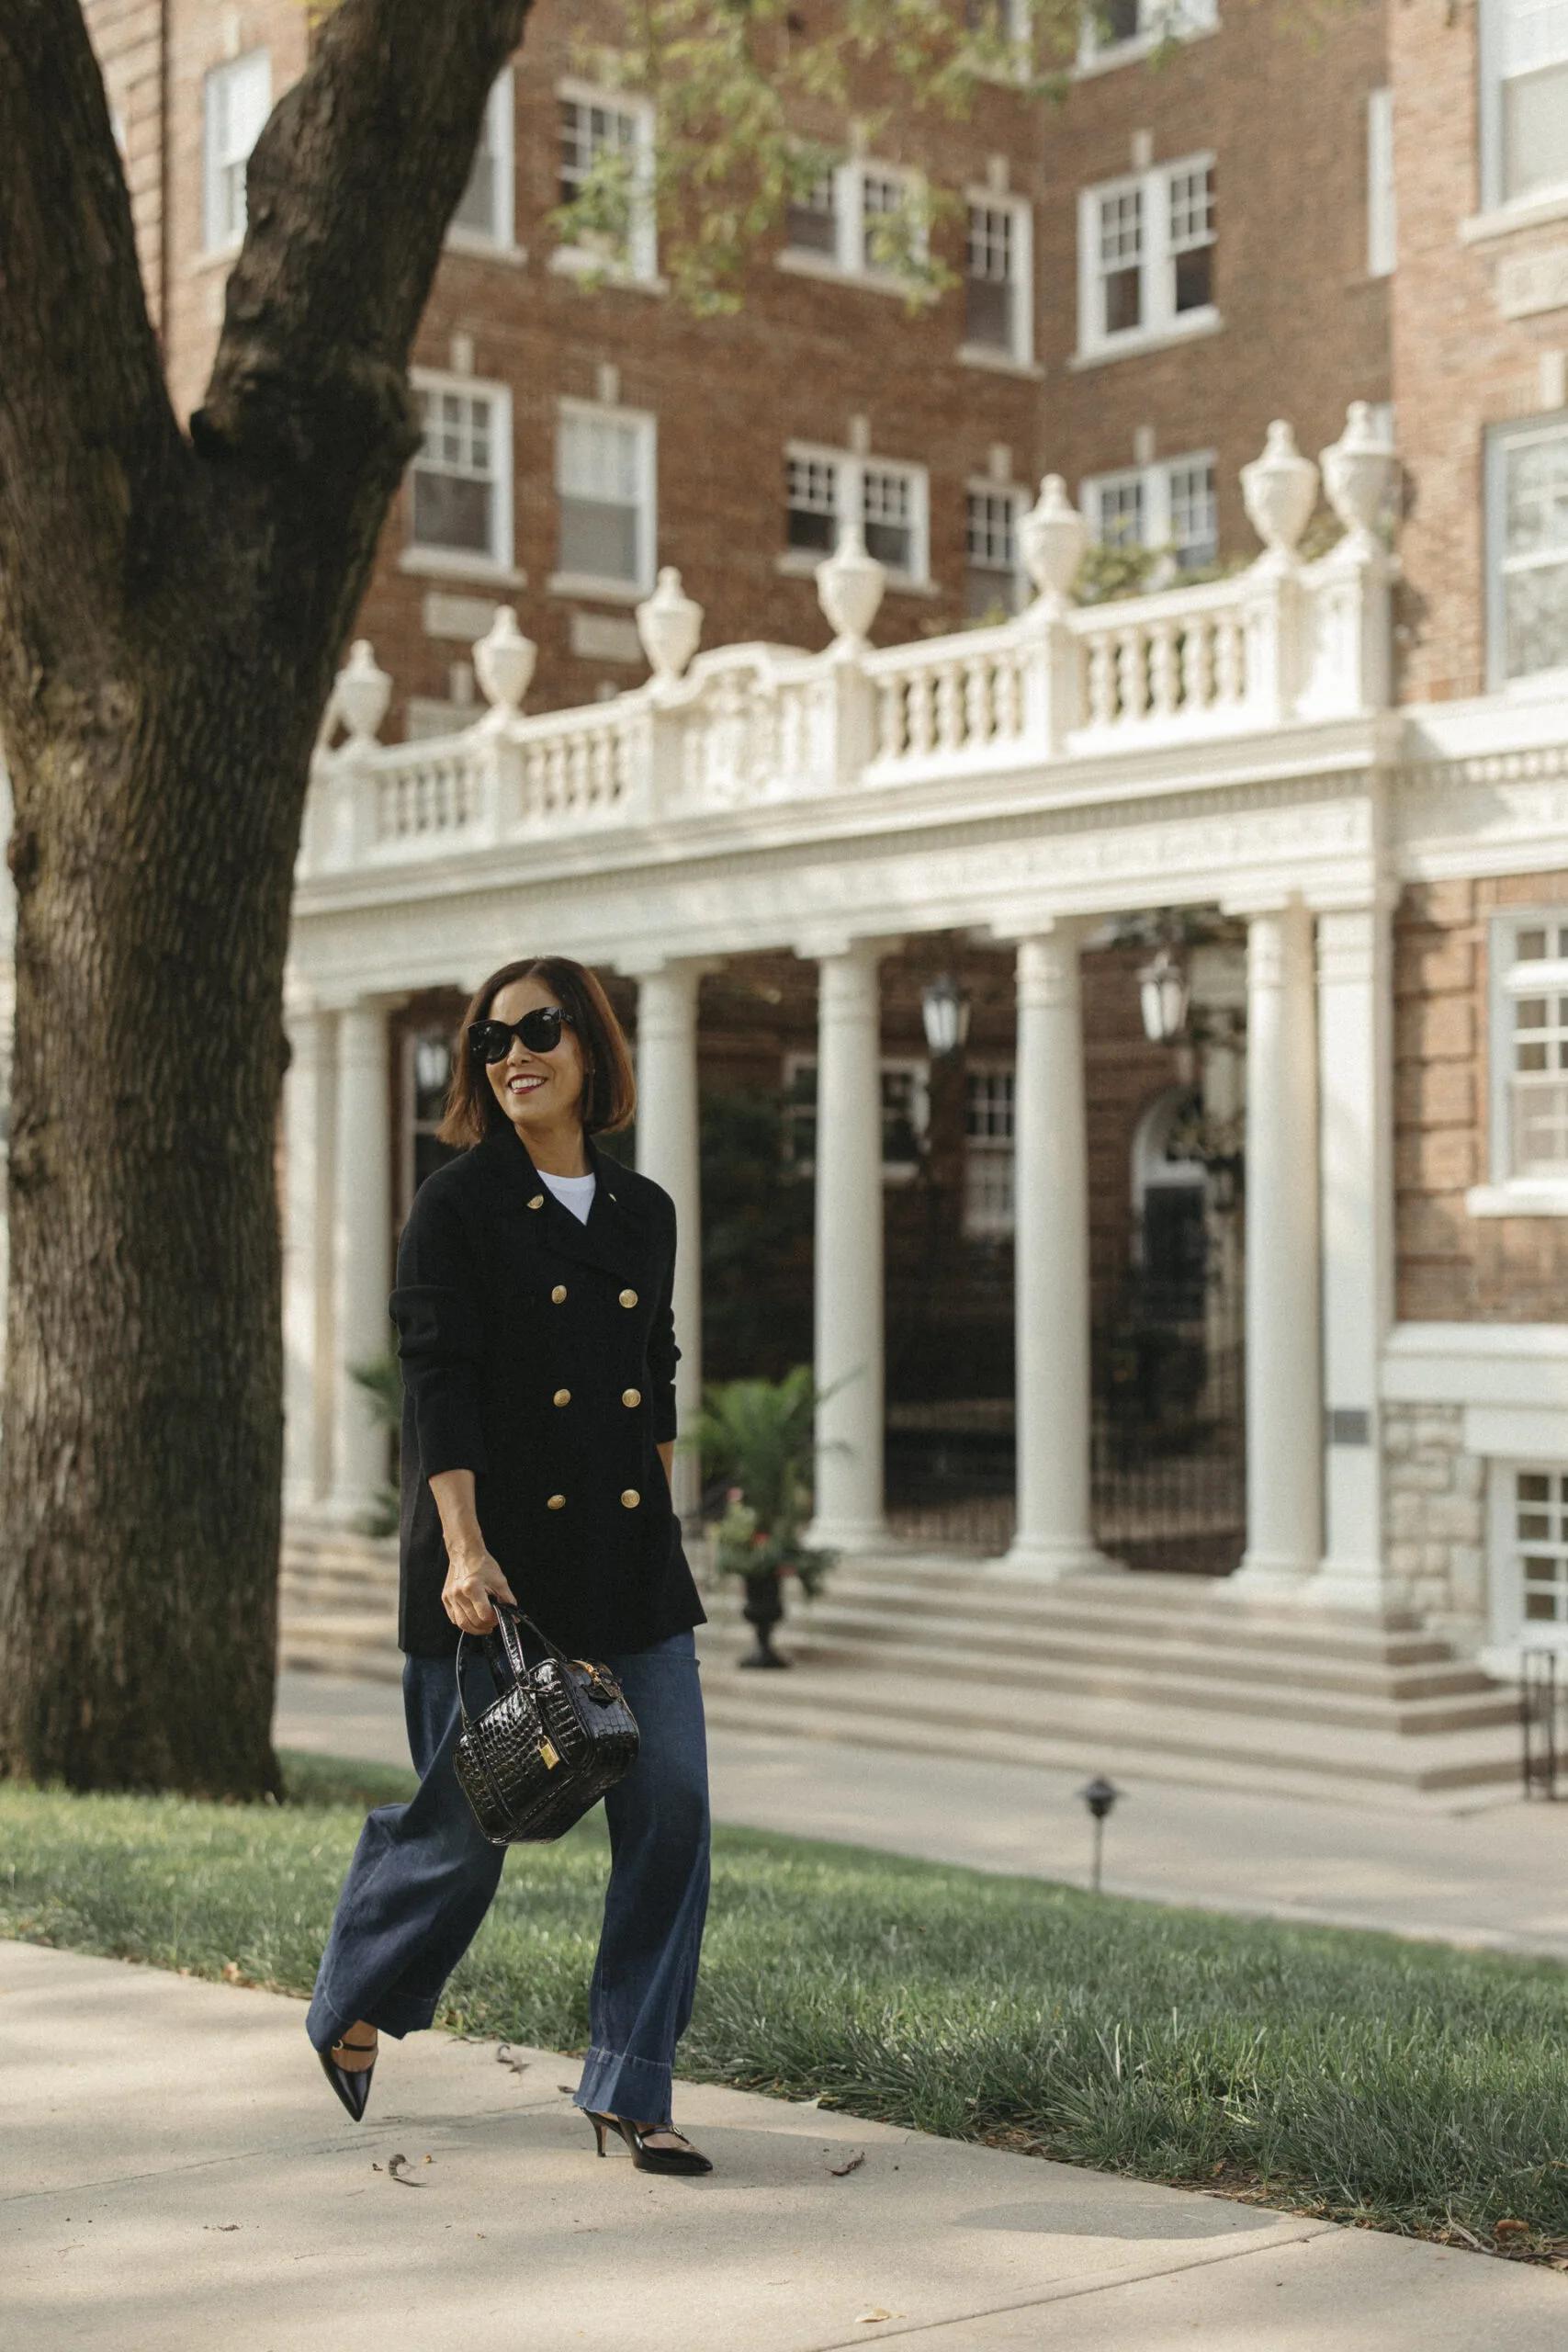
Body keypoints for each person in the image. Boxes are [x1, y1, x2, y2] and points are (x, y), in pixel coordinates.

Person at [306, 956, 713, 2177]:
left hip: (630, 1562)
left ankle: (634, 2087)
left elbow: (660, 1368)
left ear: (589, 1045)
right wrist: (465, 1548)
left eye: (538, 1029)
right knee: (471, 1827)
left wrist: (669, 1504)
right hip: (495, 1566)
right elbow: (438, 1385)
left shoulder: (645, 1210)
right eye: (491, 1039)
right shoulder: (456, 1201)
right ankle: (353, 1997)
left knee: (673, 1811)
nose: (513, 1053)